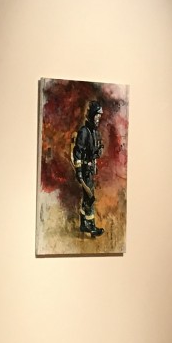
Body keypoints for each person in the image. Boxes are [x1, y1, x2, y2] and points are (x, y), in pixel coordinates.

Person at [73, 99, 105, 238]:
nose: (99, 117)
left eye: (100, 115)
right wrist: (79, 173)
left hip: (91, 170)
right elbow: (77, 152)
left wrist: (99, 151)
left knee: (88, 198)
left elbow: (96, 149)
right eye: (97, 114)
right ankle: (89, 226)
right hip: (85, 170)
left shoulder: (93, 132)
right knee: (89, 197)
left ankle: (84, 224)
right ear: (92, 114)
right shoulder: (84, 131)